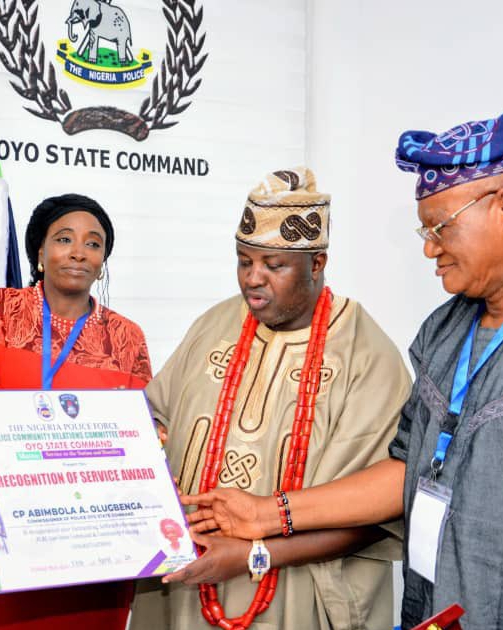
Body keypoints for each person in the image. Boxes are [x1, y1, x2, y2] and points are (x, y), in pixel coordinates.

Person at [181, 112, 503, 629]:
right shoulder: (443, 331)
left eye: (441, 227)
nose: (429, 247)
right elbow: (407, 468)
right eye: (425, 230)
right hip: (433, 612)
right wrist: (266, 513)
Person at [128, 169, 412, 630]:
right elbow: (152, 424)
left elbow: (375, 516)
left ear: (316, 264)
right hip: (186, 591)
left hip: (296, 599)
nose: (253, 279)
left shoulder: (367, 354)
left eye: (273, 265)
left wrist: (256, 554)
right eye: (244, 262)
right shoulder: (215, 324)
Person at [0, 193, 152, 630]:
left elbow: (139, 439)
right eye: (64, 239)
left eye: (93, 244)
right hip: (10, 533)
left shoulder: (127, 337)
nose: (79, 252)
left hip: (98, 542)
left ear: (103, 262)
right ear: (39, 252)